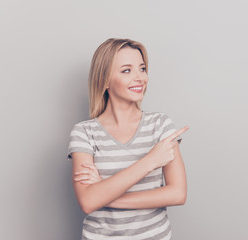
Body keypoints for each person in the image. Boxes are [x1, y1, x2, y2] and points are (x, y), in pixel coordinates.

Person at [67, 38, 189, 240]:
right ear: (104, 80)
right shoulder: (84, 132)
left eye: (142, 69)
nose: (140, 77)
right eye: (126, 70)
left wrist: (106, 196)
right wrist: (151, 161)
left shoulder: (160, 124)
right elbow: (88, 201)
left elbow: (177, 194)